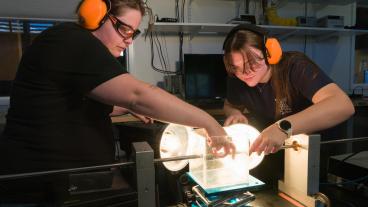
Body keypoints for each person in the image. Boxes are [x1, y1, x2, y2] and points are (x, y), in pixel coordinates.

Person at [0, 0, 235, 205]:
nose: (129, 40)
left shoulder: (68, 43)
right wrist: (209, 124)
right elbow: (138, 95)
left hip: (63, 185)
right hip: (41, 190)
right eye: (124, 29)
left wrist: (122, 108)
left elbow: (70, 106)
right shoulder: (72, 41)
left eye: (133, 33)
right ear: (96, 14)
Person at [222, 24, 355, 184]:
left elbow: (343, 105)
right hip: (271, 157)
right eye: (237, 68)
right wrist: (234, 113)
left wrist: (282, 128)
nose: (245, 73)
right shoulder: (237, 80)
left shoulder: (295, 66)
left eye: (252, 63)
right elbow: (230, 105)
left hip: (311, 157)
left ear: (270, 51)